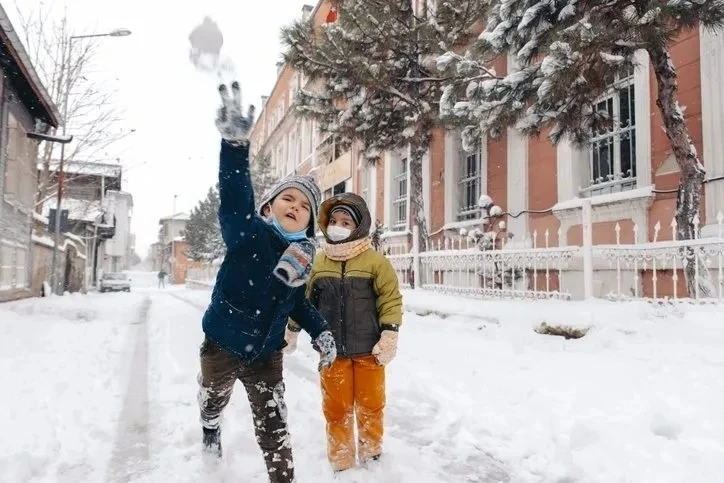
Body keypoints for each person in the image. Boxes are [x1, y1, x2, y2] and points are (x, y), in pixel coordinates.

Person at [197, 81, 337, 483]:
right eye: (288, 199)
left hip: (266, 356)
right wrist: (235, 148)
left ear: (311, 222)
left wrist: (320, 330)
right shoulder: (247, 234)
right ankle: (209, 426)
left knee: (274, 426)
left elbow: (295, 303)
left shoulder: (303, 258)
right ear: (268, 207)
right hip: (222, 344)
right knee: (212, 400)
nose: (295, 206)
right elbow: (234, 195)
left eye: (305, 206)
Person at [285, 192, 402, 472]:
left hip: (369, 352)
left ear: (358, 227)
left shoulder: (375, 262)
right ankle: (341, 459)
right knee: (336, 409)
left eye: (346, 222)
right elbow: (304, 303)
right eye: (334, 220)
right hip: (331, 352)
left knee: (371, 405)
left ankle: (372, 454)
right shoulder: (319, 264)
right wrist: (291, 330)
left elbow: (390, 299)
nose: (338, 226)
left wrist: (390, 333)